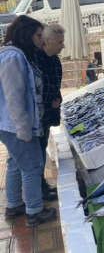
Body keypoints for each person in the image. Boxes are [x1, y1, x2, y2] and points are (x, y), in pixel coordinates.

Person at [0, 15, 56, 226]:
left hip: (11, 124)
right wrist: (23, 129)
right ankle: (34, 211)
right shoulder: (13, 57)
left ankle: (14, 206)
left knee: (15, 162)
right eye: (38, 35)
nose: (42, 40)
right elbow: (13, 96)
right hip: (15, 125)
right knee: (32, 165)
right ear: (26, 34)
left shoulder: (16, 55)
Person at [36, 24, 65, 201]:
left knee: (42, 148)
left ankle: (43, 187)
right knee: (37, 154)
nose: (63, 45)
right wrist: (50, 102)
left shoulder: (55, 60)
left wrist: (58, 99)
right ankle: (39, 191)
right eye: (60, 42)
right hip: (38, 115)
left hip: (48, 115)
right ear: (47, 42)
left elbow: (55, 85)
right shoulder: (36, 60)